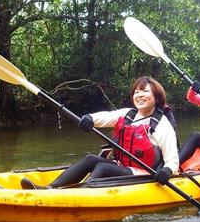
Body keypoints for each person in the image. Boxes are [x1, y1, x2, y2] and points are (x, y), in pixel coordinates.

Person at [21, 76, 179, 189]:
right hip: (122, 166)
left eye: (145, 91)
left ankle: (80, 194)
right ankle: (50, 188)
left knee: (103, 167)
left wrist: (167, 170)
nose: (139, 95)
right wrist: (89, 118)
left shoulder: (162, 126)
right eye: (136, 92)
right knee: (91, 159)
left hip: (142, 174)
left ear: (156, 98)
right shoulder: (128, 114)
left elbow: (173, 161)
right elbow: (106, 117)